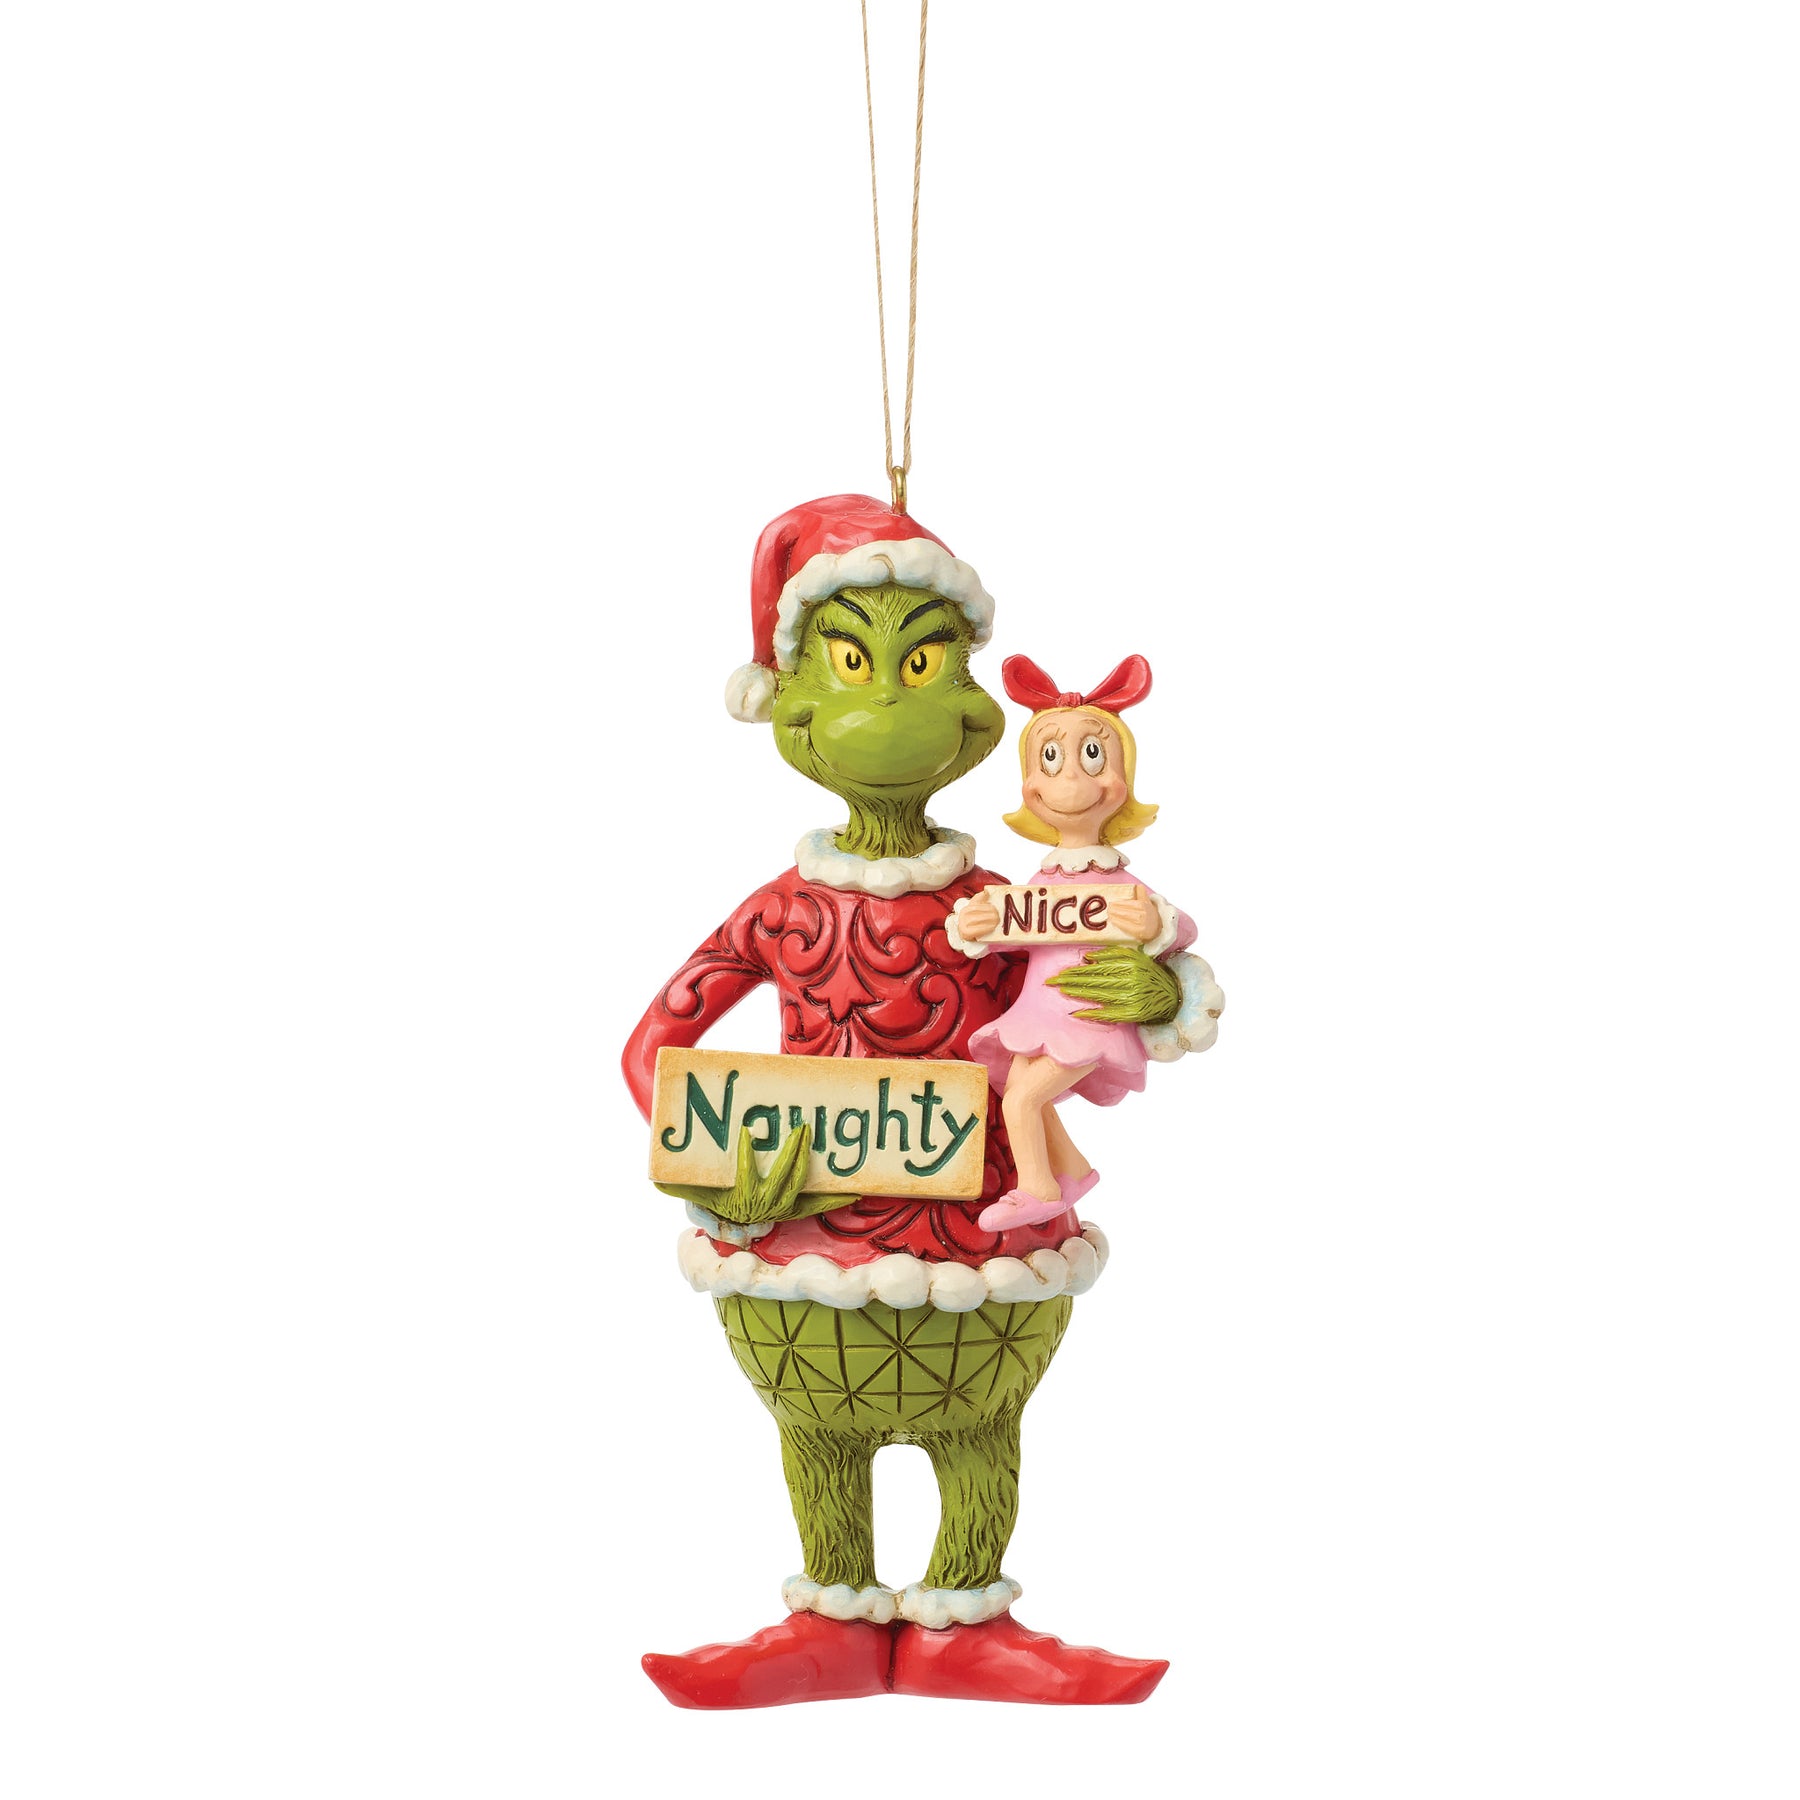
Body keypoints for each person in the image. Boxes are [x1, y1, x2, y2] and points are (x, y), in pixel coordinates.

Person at [951, 654, 1198, 1228]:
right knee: (1014, 1085)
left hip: (1089, 1014)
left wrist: (1155, 925)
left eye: (1091, 755)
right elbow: (1016, 927)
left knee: (1022, 1097)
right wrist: (976, 928)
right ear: (1030, 783)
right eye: (1050, 757)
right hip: (1038, 1012)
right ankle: (1072, 1169)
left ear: (1122, 781)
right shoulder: (1045, 881)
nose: (1069, 780)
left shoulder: (1117, 883)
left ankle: (1037, 1188)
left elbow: (1181, 929)